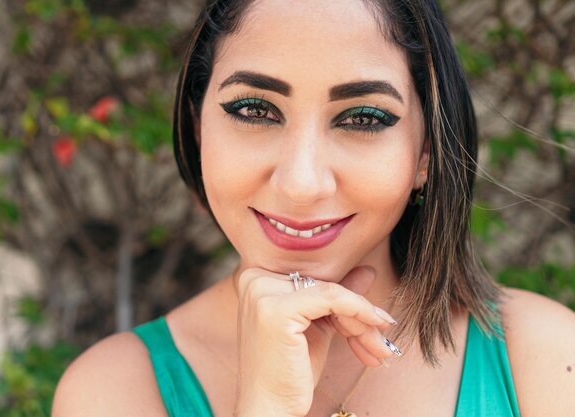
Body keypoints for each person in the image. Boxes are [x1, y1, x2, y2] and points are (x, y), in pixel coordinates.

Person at [51, 0, 575, 416]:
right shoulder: (114, 392)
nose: (301, 184)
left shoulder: (549, 359)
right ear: (197, 127)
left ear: (425, 153)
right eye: (254, 110)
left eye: (364, 118)